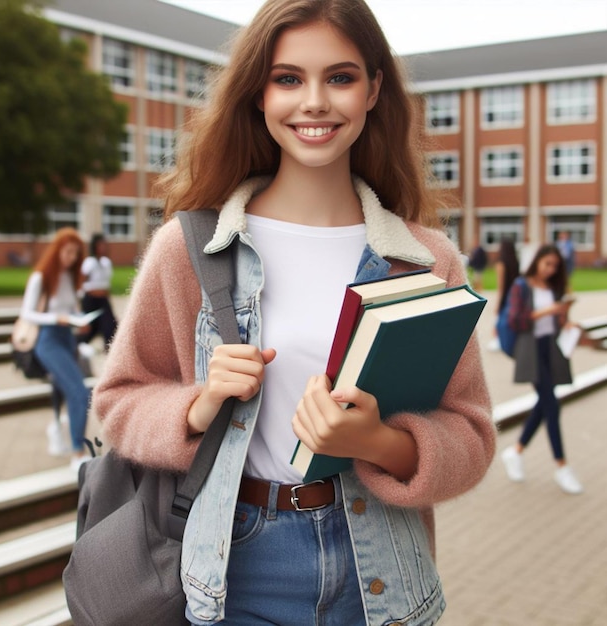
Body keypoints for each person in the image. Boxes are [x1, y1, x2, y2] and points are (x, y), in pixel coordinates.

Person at [93, 1, 495, 623]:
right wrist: (198, 405)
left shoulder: (424, 259)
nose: (314, 102)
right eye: (288, 79)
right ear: (258, 94)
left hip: (381, 568)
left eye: (340, 77)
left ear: (373, 90)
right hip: (235, 564)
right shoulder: (193, 249)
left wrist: (382, 443)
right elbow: (120, 402)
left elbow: (470, 432)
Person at [501, 244, 583, 494]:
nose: (550, 269)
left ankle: (515, 452)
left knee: (545, 403)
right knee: (551, 404)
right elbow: (516, 319)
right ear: (537, 261)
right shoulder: (521, 285)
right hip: (530, 349)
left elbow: (557, 319)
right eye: (547, 264)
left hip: (551, 347)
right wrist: (549, 310)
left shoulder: (553, 287)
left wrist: (565, 320)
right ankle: (562, 466)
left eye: (555, 266)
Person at [20, 227, 91, 471]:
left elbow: (70, 308)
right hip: (48, 341)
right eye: (67, 252)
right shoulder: (41, 277)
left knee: (65, 389)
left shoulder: (70, 278)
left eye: (75, 253)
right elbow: (26, 313)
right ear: (57, 250)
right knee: (79, 392)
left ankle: (57, 430)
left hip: (67, 338)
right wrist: (55, 318)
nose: (71, 257)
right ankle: (78, 453)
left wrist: (78, 319)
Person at [79, 233, 117, 351]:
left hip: (103, 300)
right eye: (100, 245)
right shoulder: (89, 263)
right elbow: (81, 281)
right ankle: (78, 344)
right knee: (90, 327)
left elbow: (106, 284)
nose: (103, 247)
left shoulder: (106, 263)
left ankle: (110, 350)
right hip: (91, 300)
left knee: (110, 326)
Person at [488, 238, 520, 350]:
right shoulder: (515, 262)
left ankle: (497, 340)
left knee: (500, 319)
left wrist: (497, 304)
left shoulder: (501, 264)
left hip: (506, 295)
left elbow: (501, 286)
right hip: (515, 294)